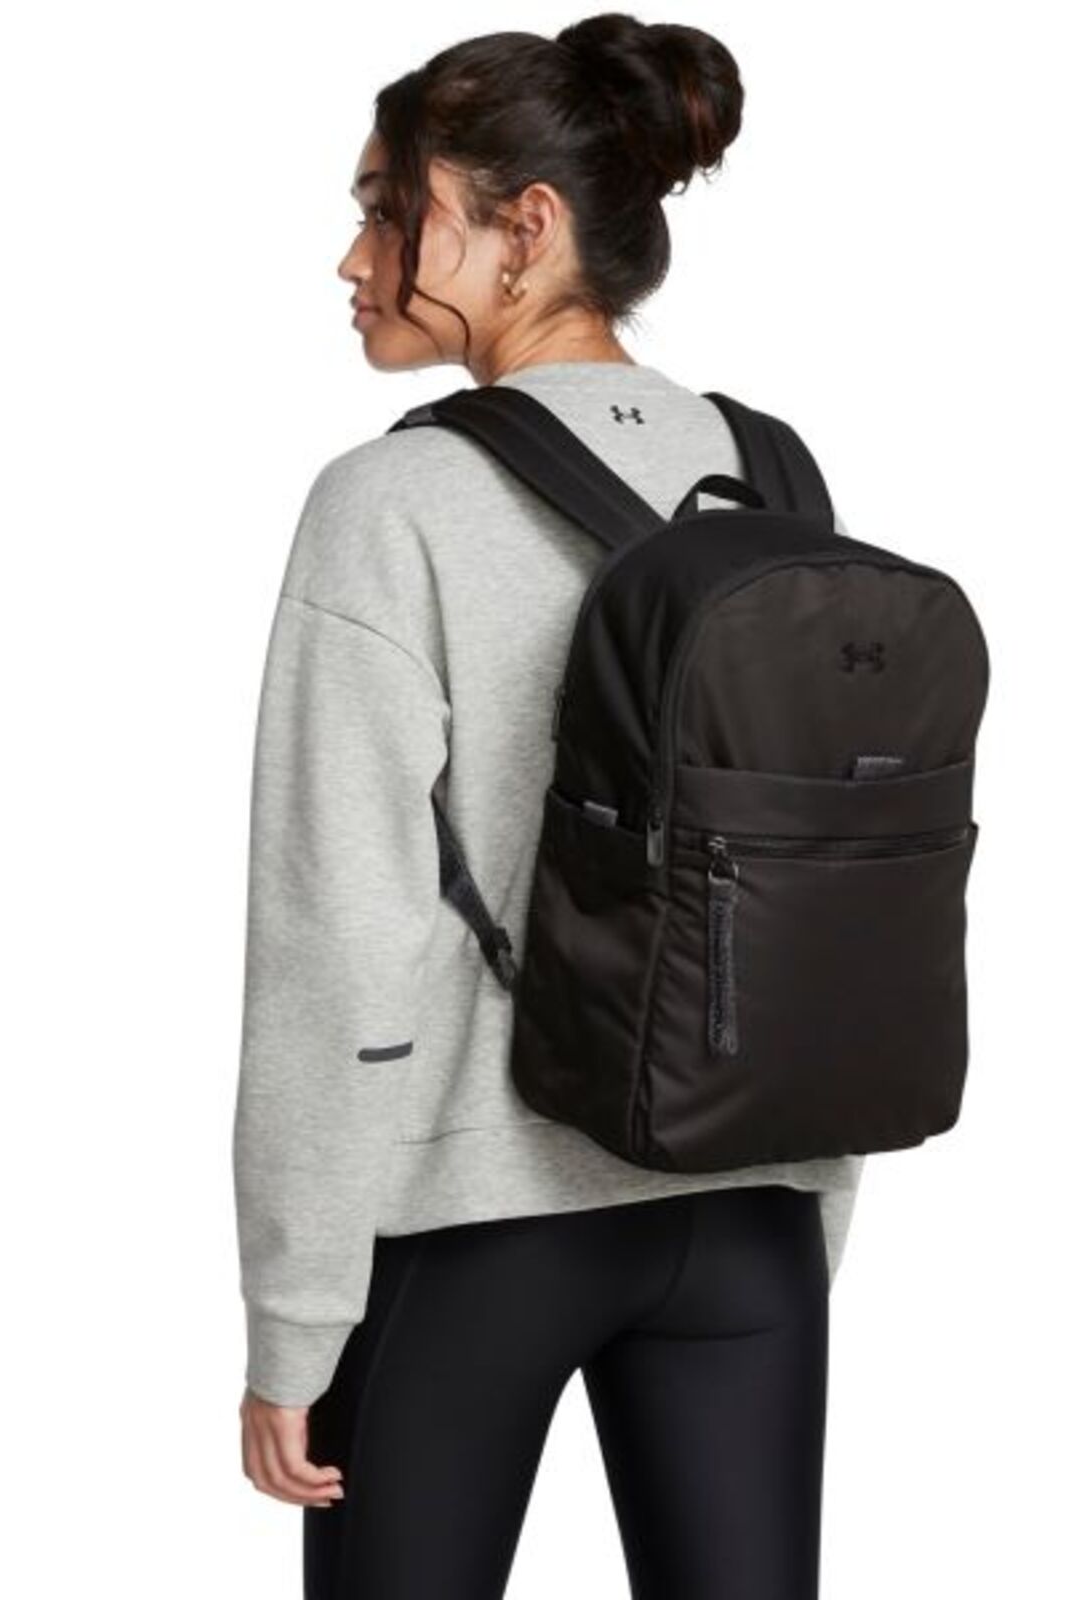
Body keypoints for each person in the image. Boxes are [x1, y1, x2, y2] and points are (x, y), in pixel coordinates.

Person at [232, 15, 866, 1597]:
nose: (353, 257)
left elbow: (337, 931)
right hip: (753, 1213)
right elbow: (820, 879)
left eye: (389, 210)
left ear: (526, 226)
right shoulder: (774, 476)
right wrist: (806, 1199)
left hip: (476, 1218)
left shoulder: (392, 501)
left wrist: (294, 1320)